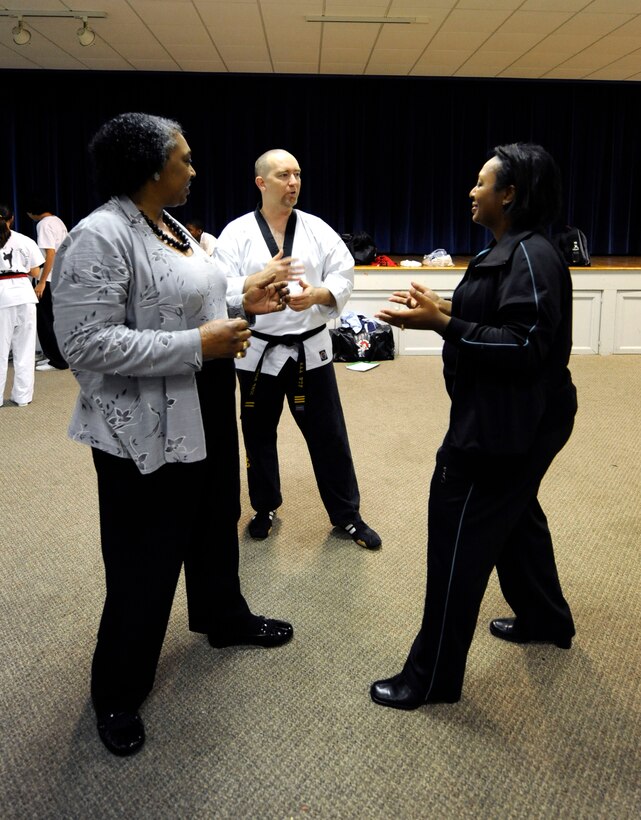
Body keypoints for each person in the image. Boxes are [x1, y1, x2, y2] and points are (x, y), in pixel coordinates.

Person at [51, 113, 293, 757]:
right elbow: (83, 343)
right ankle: (117, 691)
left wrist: (242, 300)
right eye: (183, 159)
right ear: (151, 167)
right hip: (141, 424)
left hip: (203, 396)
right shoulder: (99, 235)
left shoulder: (172, 226)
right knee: (145, 556)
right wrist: (197, 343)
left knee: (214, 521)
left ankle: (222, 617)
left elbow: (189, 295)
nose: (193, 169)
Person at [371, 143, 577, 708]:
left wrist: (443, 324)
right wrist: (443, 307)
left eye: (482, 183)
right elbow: (499, 317)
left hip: (503, 428)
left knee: (458, 536)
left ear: (509, 194)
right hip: (515, 418)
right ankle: (545, 617)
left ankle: (430, 678)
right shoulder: (511, 251)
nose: (472, 191)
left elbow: (524, 345)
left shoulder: (531, 256)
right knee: (513, 515)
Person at [215, 148, 381, 549]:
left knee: (329, 435)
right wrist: (257, 280)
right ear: (261, 182)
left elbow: (342, 273)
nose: (293, 183)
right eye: (284, 175)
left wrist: (318, 295)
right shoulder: (236, 233)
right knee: (257, 434)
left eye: (298, 175)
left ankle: (347, 515)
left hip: (311, 350)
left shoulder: (317, 229)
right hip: (258, 353)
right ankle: (264, 507)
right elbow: (218, 285)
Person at [0, 203, 45, 407]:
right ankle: (22, 397)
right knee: (25, 349)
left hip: (2, 295)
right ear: (12, 219)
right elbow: (36, 272)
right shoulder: (25, 241)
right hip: (24, 295)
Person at [24, 195, 69, 371]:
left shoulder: (43, 224)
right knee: (55, 319)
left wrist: (42, 281)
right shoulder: (58, 221)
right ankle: (58, 357)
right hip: (61, 277)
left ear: (32, 211)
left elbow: (50, 253)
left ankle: (56, 360)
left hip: (49, 279)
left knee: (45, 320)